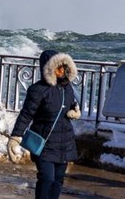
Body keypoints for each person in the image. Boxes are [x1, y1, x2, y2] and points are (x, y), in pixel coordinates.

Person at [8, 50, 81, 199]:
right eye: (57, 67)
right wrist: (15, 137)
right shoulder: (38, 90)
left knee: (58, 181)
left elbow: (72, 103)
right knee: (47, 179)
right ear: (48, 68)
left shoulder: (67, 88)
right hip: (44, 143)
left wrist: (76, 111)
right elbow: (26, 114)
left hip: (64, 143)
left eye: (63, 67)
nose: (61, 70)